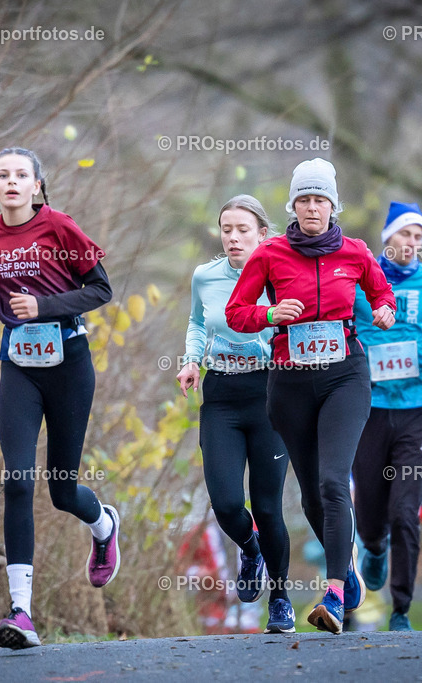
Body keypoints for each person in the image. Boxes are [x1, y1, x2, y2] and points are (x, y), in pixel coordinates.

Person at [226, 158, 396, 634]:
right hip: (290, 382)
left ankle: (336, 592)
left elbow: (384, 296)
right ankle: (350, 567)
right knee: (309, 497)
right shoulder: (271, 254)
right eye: (304, 200)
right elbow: (236, 313)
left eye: (320, 199)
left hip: (345, 376)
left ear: (332, 205)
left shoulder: (356, 252)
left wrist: (383, 311)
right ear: (293, 206)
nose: (312, 207)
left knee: (332, 482)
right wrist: (272, 314)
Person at [0, 147, 119, 649]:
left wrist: (45, 306)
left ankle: (104, 525)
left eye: (21, 175)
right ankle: (21, 613)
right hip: (19, 367)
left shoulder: (60, 228)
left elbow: (100, 290)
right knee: (16, 479)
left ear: (36, 185)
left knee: (60, 489)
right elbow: (2, 295)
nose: (12, 182)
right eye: (3, 175)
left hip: (69, 366)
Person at [175, 195, 294, 634]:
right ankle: (250, 549)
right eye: (227, 229)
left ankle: (280, 599)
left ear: (263, 233)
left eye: (243, 229)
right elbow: (197, 323)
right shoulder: (205, 277)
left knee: (268, 507)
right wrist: (190, 360)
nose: (233, 237)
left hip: (270, 394)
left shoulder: (281, 274)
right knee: (226, 502)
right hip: (221, 393)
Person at [351, 202, 422, 631]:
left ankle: (402, 608)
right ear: (388, 236)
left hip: (417, 407)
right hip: (367, 408)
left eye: (418, 237)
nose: (411, 243)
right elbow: (341, 330)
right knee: (371, 510)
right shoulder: (360, 276)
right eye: (405, 234)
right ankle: (373, 547)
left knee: (406, 511)